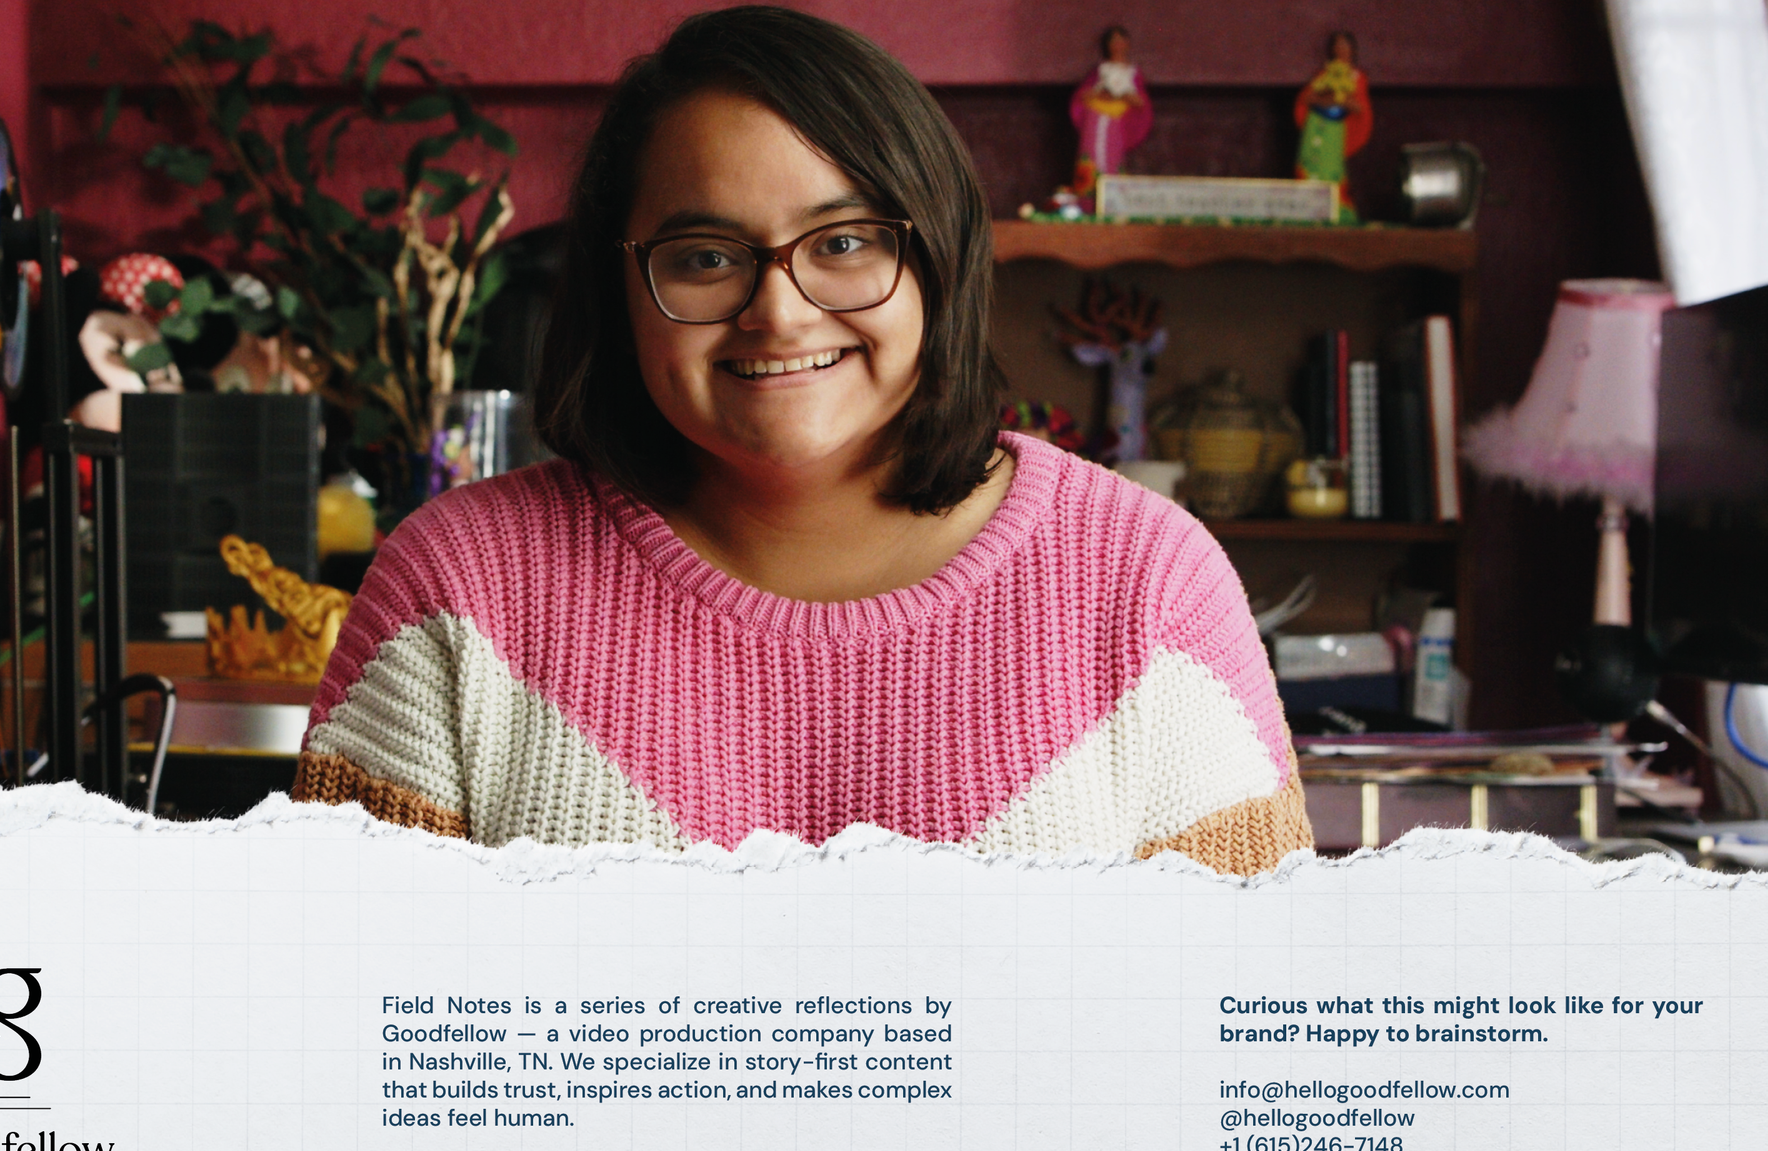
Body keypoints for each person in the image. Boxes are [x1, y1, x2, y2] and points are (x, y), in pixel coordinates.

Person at [291, 6, 1311, 872]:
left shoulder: (1148, 583)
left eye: (846, 242)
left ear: (937, 259)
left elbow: (1248, 1043)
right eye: (703, 256)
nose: (778, 313)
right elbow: (350, 1041)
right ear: (619, 292)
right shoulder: (455, 589)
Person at [1294, 31, 1374, 222]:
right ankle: (1305, 211)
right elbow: (1308, 98)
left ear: (1352, 50)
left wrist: (1339, 99)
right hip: (1316, 129)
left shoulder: (1356, 77)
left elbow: (1358, 106)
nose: (1341, 50)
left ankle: (1338, 212)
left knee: (1332, 173)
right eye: (1337, 46)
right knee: (1311, 168)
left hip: (1335, 133)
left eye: (1345, 46)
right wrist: (1331, 98)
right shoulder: (1323, 75)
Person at [1069, 25, 1153, 205]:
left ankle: (1113, 202)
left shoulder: (1133, 72)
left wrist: (1124, 96)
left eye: (1121, 40)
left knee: (1112, 158)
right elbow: (1084, 94)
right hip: (1095, 119)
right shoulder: (1100, 70)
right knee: (1091, 159)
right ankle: (1087, 203)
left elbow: (1140, 101)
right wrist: (1101, 93)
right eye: (1114, 41)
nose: (1118, 45)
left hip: (1116, 121)